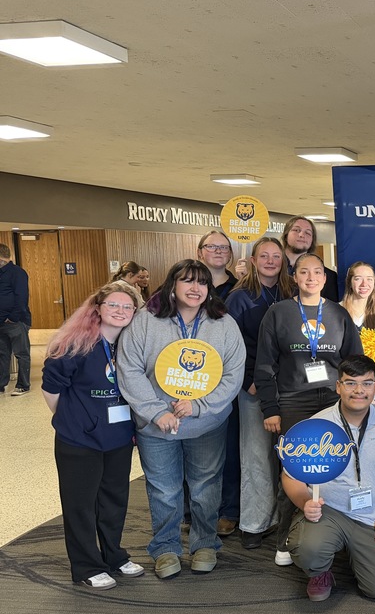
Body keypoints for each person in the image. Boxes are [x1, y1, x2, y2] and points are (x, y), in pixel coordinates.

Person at [118, 259, 245, 578]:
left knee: (205, 486)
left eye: (201, 282)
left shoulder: (223, 323)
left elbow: (233, 373)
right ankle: (165, 548)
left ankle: (205, 544)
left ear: (209, 288)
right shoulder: (146, 320)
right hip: (156, 425)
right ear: (172, 284)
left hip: (206, 423)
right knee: (163, 488)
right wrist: (155, 411)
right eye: (187, 281)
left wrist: (201, 405)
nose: (195, 288)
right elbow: (129, 367)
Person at [254, 252, 362, 565]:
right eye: (304, 272)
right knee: (294, 469)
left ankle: (338, 535)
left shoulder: (339, 314)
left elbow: (354, 361)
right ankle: (285, 540)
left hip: (334, 399)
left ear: (325, 279)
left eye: (317, 273)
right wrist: (270, 408)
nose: (311, 278)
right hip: (293, 400)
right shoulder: (279, 313)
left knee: (338, 465)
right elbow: (264, 365)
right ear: (295, 277)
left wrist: (357, 398)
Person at [41, 282, 146, 589]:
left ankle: (114, 556)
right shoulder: (77, 342)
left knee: (114, 499)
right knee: (81, 503)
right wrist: (75, 418)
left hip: (118, 436)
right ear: (98, 308)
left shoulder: (130, 344)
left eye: (128, 307)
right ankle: (87, 565)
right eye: (114, 305)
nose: (121, 311)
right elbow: (51, 388)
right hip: (80, 439)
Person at [283, 355, 375, 602]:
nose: (359, 390)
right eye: (350, 383)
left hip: (374, 515)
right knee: (310, 551)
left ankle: (359, 555)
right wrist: (304, 503)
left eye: (366, 383)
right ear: (338, 386)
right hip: (330, 511)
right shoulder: (317, 424)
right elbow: (290, 477)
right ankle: (320, 571)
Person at [225, 237, 295, 549]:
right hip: (254, 385)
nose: (270, 261)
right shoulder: (239, 297)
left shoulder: (290, 292)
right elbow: (230, 343)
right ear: (253, 260)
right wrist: (247, 378)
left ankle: (284, 518)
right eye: (263, 256)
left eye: (275, 256)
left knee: (288, 455)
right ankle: (254, 523)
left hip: (290, 385)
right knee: (256, 455)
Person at [281, 216, 339, 302]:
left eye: (307, 233)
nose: (301, 235)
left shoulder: (328, 277)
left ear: (312, 240)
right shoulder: (271, 270)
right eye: (296, 230)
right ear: (286, 235)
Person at [0, 243, 31, 396]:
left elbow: (21, 298)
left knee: (21, 354)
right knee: (2, 354)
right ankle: (1, 384)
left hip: (15, 322)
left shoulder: (17, 273)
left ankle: (23, 385)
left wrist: (12, 318)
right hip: (1, 323)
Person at [196, 231, 238, 300]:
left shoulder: (239, 287)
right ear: (200, 252)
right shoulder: (188, 285)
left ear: (230, 254)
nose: (218, 251)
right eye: (211, 246)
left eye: (224, 247)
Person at [340, 261, 375, 330]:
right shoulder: (337, 311)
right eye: (358, 279)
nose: (364, 284)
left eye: (369, 279)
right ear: (350, 283)